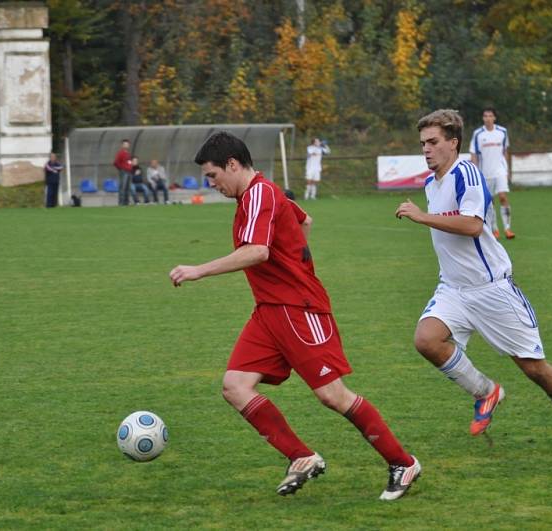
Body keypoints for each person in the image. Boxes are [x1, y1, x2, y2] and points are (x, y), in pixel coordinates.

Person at [169, 132, 421, 501]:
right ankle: (301, 457)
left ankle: (403, 462)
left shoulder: (259, 194)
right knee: (235, 387)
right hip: (270, 311)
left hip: (299, 310)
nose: (211, 184)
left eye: (212, 175)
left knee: (333, 396)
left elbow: (256, 251)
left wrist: (198, 270)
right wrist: (293, 257)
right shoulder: (257, 197)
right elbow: (305, 220)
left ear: (233, 165)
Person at [395, 109, 552, 455]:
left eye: (433, 142)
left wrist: (421, 216)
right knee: (427, 340)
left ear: (453, 143)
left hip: (492, 289)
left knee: (533, 367)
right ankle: (486, 391)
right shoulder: (432, 183)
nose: (426, 149)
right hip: (454, 289)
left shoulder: (467, 174)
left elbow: (473, 225)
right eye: (422, 144)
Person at [470, 108, 514, 239]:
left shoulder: (502, 132)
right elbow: (474, 154)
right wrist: (475, 172)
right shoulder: (478, 134)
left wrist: (508, 170)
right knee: (490, 202)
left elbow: (505, 151)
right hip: (485, 173)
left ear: (494, 118)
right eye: (485, 116)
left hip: (500, 170)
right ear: (483, 118)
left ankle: (507, 228)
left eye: (490, 116)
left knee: (502, 197)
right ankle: (495, 229)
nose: (488, 118)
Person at [113, 139, 133, 206]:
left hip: (129, 172)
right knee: (123, 187)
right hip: (124, 172)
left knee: (128, 188)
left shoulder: (128, 154)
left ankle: (126, 202)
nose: (126, 145)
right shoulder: (120, 153)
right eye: (125, 144)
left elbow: (129, 162)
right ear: (122, 145)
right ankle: (121, 203)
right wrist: (121, 169)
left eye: (127, 144)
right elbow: (116, 162)